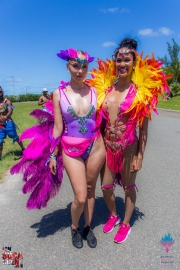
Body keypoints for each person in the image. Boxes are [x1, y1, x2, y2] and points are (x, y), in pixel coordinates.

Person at [11, 49, 106, 249]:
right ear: (67, 66)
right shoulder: (58, 94)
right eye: (75, 66)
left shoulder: (95, 91)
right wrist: (52, 155)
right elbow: (57, 127)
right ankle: (74, 227)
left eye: (84, 66)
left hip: (96, 146)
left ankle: (88, 227)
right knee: (80, 196)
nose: (80, 70)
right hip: (70, 149)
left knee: (90, 190)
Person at [87, 38, 170, 244]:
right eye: (118, 60)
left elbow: (143, 131)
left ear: (134, 63)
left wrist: (140, 156)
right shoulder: (106, 89)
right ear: (114, 62)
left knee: (127, 187)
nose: (122, 64)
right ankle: (114, 215)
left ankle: (125, 223)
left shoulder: (140, 92)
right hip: (107, 147)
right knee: (106, 187)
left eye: (126, 60)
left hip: (128, 147)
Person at [0, 86, 25, 161]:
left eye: (0, 91)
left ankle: (23, 149)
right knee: (0, 140)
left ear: (2, 92)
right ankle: (0, 157)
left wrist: (5, 117)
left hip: (8, 123)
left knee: (15, 137)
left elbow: (10, 111)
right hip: (0, 125)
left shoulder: (7, 101)